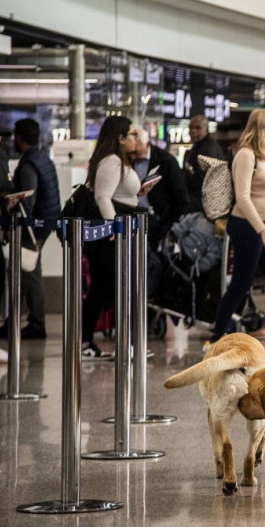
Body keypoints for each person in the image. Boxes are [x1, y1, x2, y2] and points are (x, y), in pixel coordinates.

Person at [207, 109, 265, 348]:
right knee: (242, 283)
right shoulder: (245, 154)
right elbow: (243, 197)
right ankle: (216, 335)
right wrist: (262, 231)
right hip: (248, 226)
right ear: (261, 128)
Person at [81, 116, 152, 358]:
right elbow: (103, 197)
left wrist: (139, 192)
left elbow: (118, 194)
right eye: (132, 135)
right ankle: (107, 342)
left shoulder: (118, 161)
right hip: (111, 234)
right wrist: (113, 228)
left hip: (119, 227)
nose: (136, 139)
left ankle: (91, 340)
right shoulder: (111, 161)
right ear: (120, 138)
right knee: (114, 287)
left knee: (107, 288)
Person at [12, 118, 61, 339]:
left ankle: (36, 322)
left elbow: (28, 200)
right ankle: (31, 319)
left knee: (28, 272)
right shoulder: (42, 158)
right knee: (31, 270)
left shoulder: (29, 164)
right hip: (47, 220)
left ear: (19, 137)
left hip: (34, 225)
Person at [131, 135, 189, 249]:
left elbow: (180, 195)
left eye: (137, 152)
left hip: (160, 219)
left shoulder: (165, 161)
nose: (134, 155)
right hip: (135, 215)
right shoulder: (129, 160)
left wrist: (168, 222)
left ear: (147, 145)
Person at [183, 115, 226, 215]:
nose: (193, 131)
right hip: (202, 201)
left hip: (205, 204)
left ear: (206, 129)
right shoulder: (199, 145)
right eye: (191, 127)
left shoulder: (208, 148)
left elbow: (205, 179)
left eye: (198, 128)